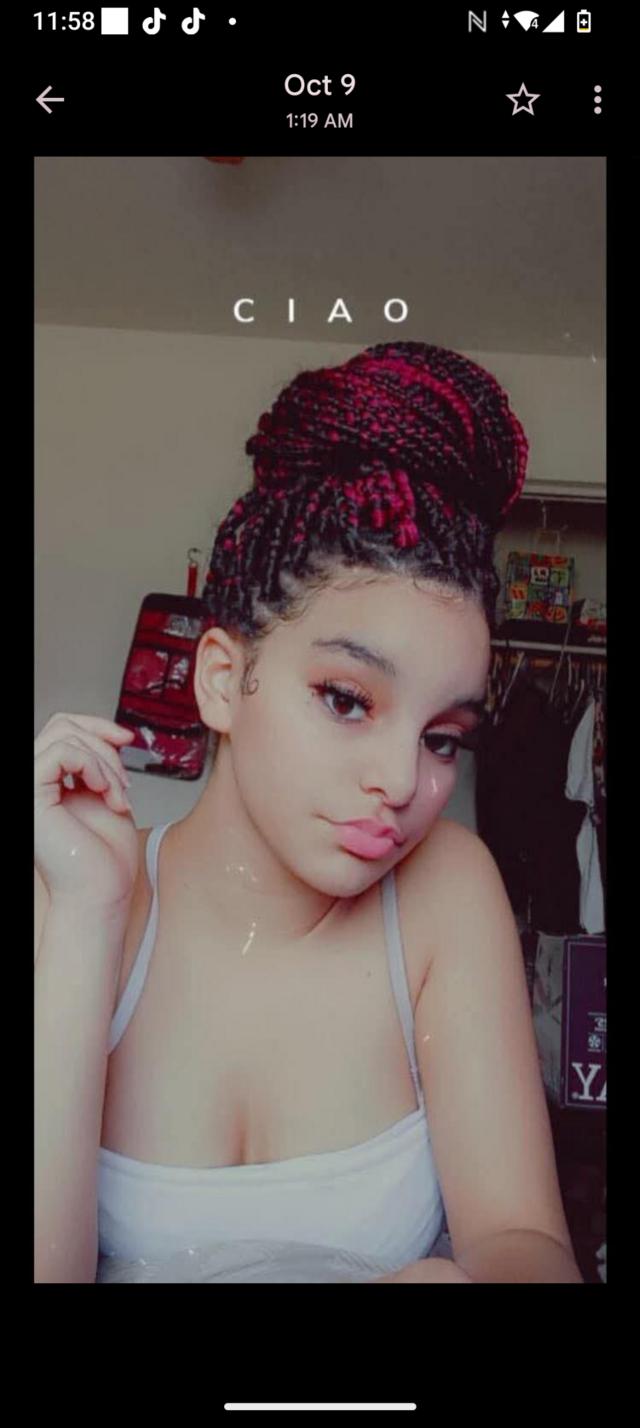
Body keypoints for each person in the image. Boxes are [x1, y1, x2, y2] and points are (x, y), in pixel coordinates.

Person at [35, 340, 580, 1284]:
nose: (403, 782)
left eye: (442, 737)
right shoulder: (77, 901)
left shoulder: (445, 891)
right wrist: (86, 919)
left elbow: (524, 1242)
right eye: (347, 699)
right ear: (221, 679)